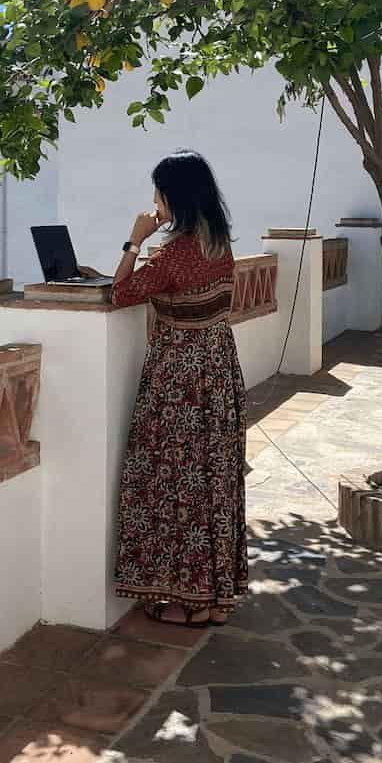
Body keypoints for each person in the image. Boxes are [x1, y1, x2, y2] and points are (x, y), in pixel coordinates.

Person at [110, 151, 249, 626]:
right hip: (217, 369)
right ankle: (213, 598)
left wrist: (134, 241)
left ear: (176, 196)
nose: (154, 201)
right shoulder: (219, 244)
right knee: (212, 479)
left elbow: (121, 293)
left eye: (159, 192)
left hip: (179, 380)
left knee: (173, 482)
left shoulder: (174, 253)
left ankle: (186, 599)